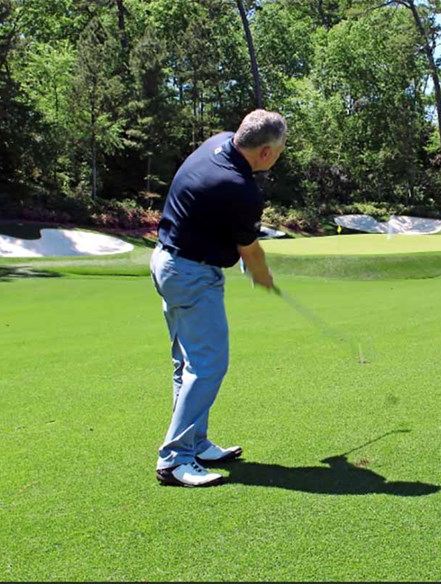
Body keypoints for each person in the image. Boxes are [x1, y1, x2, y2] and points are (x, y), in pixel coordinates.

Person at [150, 109, 286, 487]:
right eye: (279, 150)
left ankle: (194, 442)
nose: (279, 155)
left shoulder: (219, 143)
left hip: (168, 262)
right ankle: (174, 459)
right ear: (264, 153)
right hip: (191, 273)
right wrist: (262, 275)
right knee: (208, 365)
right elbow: (251, 251)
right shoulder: (241, 189)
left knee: (189, 364)